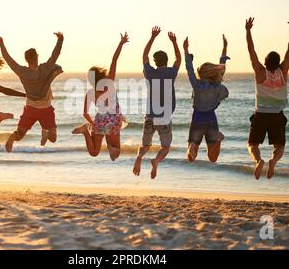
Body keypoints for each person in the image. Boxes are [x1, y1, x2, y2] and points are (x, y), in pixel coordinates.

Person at [245, 15, 289, 180]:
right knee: (279, 147)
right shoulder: (283, 72)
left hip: (260, 115)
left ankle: (258, 161)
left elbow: (251, 51)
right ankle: (273, 161)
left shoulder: (260, 73)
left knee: (252, 145)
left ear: (265, 61)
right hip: (277, 116)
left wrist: (248, 31)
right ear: (278, 63)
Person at [0, 33, 64, 152]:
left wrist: (1, 42)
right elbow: (55, 55)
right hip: (46, 109)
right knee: (53, 138)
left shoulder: (21, 71)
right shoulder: (45, 69)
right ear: (37, 57)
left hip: (30, 108)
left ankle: (12, 137)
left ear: (26, 60)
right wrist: (60, 39)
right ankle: (46, 132)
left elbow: (7, 58)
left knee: (20, 134)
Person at [133, 26, 181, 179]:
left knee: (145, 145)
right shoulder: (171, 72)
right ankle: (156, 161)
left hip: (150, 116)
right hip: (164, 117)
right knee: (165, 147)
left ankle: (140, 157)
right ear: (166, 62)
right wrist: (174, 42)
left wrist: (152, 37)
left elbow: (144, 55)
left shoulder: (150, 72)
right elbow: (178, 60)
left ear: (155, 62)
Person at [71, 32, 129, 161]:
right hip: (113, 120)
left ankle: (85, 131)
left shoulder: (90, 93)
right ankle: (110, 144)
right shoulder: (109, 83)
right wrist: (121, 43)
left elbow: (85, 114)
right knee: (115, 155)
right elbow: (114, 60)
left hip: (100, 121)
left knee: (94, 152)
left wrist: (92, 124)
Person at [183, 35, 230, 163]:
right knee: (213, 158)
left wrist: (186, 50)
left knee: (191, 158)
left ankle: (192, 146)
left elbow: (189, 69)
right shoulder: (217, 86)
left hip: (197, 119)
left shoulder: (196, 85)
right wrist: (224, 48)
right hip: (211, 120)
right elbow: (222, 67)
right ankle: (218, 140)